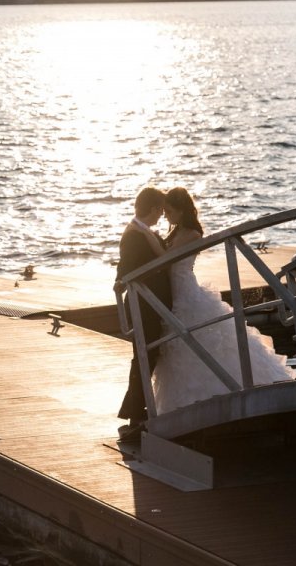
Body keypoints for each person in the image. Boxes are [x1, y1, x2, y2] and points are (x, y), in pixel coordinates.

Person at [137, 187, 295, 414]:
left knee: (207, 342)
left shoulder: (192, 233)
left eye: (170, 211)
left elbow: (166, 259)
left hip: (186, 292)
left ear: (182, 210)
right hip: (175, 294)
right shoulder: (176, 230)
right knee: (180, 348)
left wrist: (144, 233)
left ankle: (230, 391)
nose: (166, 216)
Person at [113, 187, 172, 439]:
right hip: (143, 304)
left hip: (149, 304)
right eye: (160, 209)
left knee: (148, 354)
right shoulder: (134, 235)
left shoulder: (141, 231)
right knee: (144, 356)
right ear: (153, 209)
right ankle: (134, 413)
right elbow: (127, 268)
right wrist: (122, 281)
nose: (162, 214)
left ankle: (138, 410)